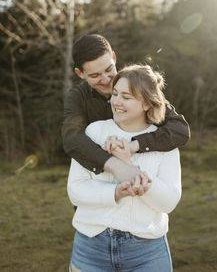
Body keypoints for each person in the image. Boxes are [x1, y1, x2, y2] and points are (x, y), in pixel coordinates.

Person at [67, 64, 182, 272]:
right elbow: (75, 190)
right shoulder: (94, 132)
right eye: (115, 94)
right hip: (91, 248)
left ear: (147, 103)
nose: (116, 102)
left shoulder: (164, 142)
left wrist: (129, 167)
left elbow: (169, 202)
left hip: (147, 253)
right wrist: (115, 193)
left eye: (126, 97)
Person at [62, 34, 189, 186]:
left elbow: (180, 129)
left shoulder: (138, 85)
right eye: (95, 75)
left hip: (142, 184)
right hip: (96, 188)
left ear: (114, 57)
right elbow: (72, 139)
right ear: (80, 73)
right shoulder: (77, 98)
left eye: (109, 69)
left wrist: (135, 145)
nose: (106, 79)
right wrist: (117, 166)